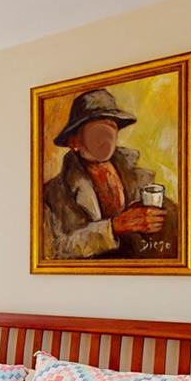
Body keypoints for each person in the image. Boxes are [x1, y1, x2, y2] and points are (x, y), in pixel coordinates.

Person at [41, 88, 177, 259]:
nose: (107, 138)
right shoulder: (53, 194)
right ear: (74, 142)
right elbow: (55, 249)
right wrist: (113, 228)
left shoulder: (137, 178)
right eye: (97, 131)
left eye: (111, 129)